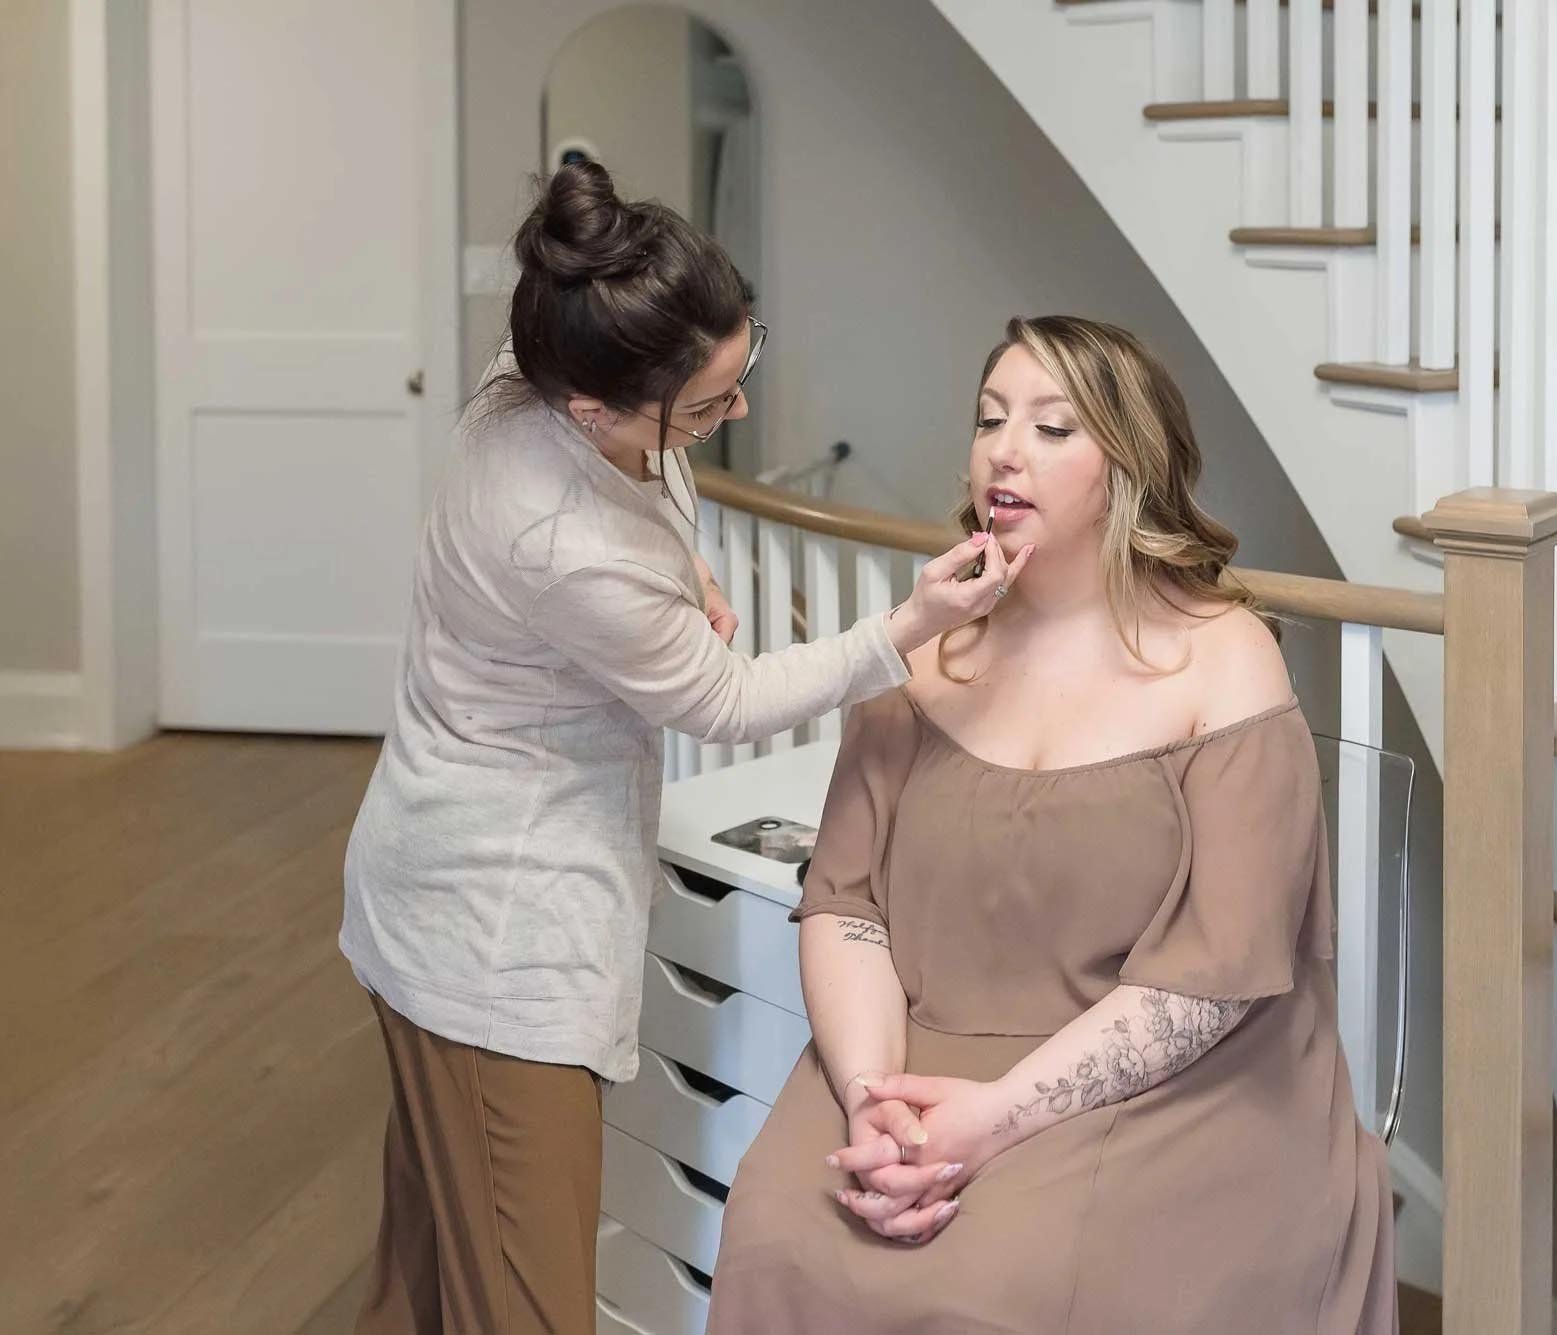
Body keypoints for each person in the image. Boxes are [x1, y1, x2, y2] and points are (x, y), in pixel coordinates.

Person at [338, 163, 1028, 1335]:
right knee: (522, 1297)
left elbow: (641, 515)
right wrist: (905, 628)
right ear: (590, 410)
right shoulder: (557, 536)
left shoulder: (542, 362)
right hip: (490, 934)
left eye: (739, 370)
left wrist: (683, 566)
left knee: (427, 1269)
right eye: (705, 410)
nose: (736, 418)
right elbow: (721, 698)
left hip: (423, 872)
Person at [707, 316, 1397, 1333]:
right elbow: (845, 907)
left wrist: (993, 1119)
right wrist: (872, 1099)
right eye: (990, 420)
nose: (1004, 450)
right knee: (774, 1227)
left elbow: (1215, 971)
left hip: (1168, 1078)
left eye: (1051, 427)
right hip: (912, 1054)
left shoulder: (1224, 658)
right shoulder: (929, 654)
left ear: (1127, 464)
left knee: (1000, 1287)